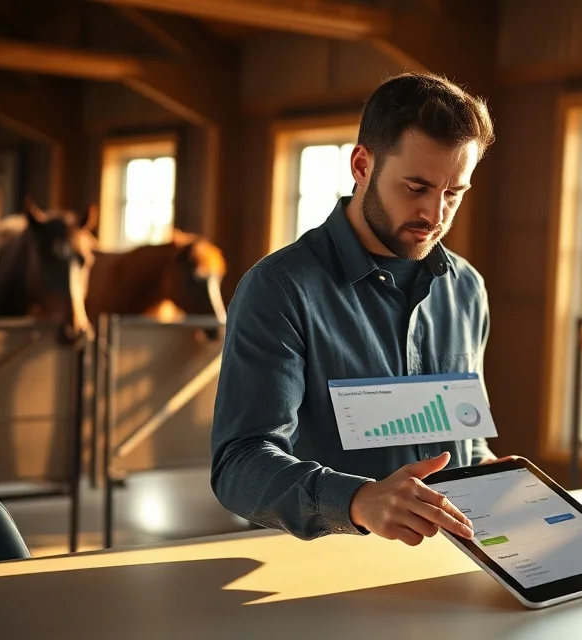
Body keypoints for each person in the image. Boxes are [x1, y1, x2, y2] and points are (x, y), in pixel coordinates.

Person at [211, 72, 503, 546]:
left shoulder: (466, 288)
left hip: (454, 566)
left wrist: (490, 471)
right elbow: (240, 465)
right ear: (363, 165)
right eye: (415, 187)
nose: (434, 214)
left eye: (453, 194)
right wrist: (357, 501)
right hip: (316, 573)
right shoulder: (279, 289)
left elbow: (461, 435)